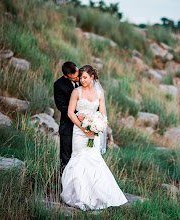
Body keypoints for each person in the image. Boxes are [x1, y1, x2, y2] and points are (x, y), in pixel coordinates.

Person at [60, 65, 127, 210]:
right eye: (81, 77)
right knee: (79, 159)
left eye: (85, 77)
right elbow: (71, 113)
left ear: (92, 77)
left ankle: (99, 195)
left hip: (94, 132)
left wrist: (97, 127)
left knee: (94, 159)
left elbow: (102, 115)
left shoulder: (99, 94)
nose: (81, 80)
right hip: (79, 132)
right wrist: (83, 127)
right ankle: (78, 195)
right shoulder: (76, 92)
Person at [54, 61, 82, 172]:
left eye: (78, 75)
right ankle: (64, 180)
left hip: (85, 123)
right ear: (66, 76)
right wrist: (77, 114)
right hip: (67, 124)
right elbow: (61, 105)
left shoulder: (84, 77)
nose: (78, 79)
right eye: (74, 78)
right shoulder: (59, 85)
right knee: (66, 154)